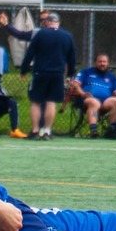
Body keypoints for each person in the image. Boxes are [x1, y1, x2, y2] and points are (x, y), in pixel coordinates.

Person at [22, 11, 77, 139]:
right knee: (51, 102)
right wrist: (71, 74)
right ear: (58, 23)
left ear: (46, 22)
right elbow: (72, 57)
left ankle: (35, 131)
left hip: (40, 72)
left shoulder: (41, 34)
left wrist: (24, 69)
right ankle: (46, 131)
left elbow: (30, 53)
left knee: (36, 101)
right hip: (58, 74)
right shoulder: (67, 36)